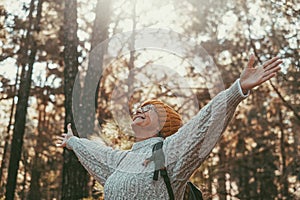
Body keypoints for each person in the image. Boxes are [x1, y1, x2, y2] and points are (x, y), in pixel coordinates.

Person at [56, 55, 282, 199]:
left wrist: (237, 89)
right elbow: (95, 152)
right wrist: (73, 142)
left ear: (164, 124)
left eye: (149, 109)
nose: (140, 110)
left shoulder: (170, 152)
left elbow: (204, 121)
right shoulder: (120, 161)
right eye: (139, 107)